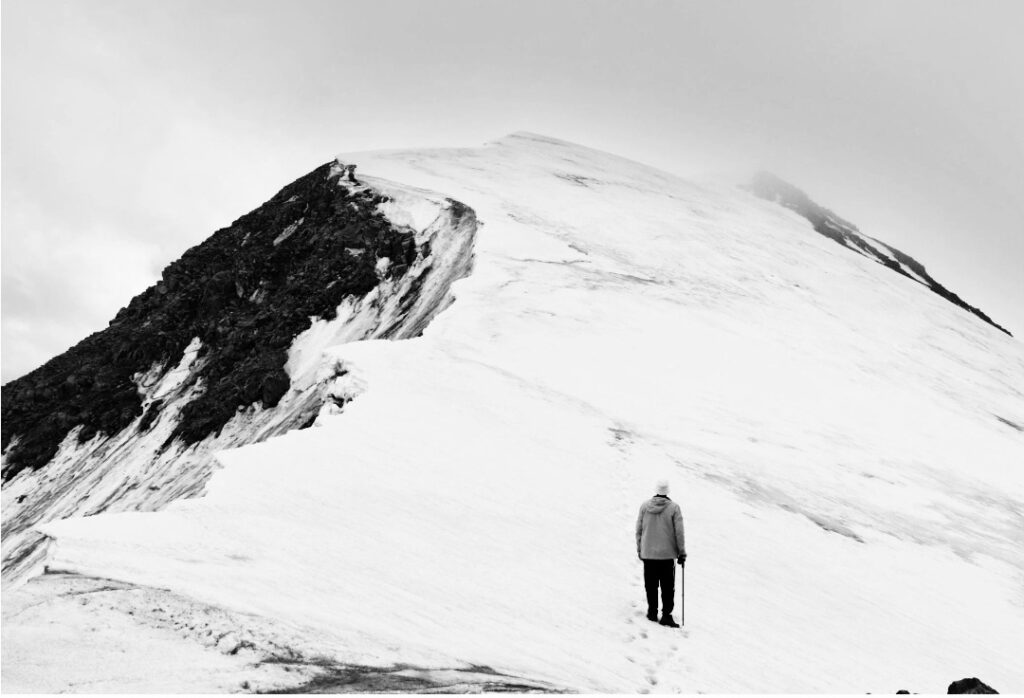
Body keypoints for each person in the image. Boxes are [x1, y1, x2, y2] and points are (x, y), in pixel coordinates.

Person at [636, 479, 687, 627]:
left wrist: (640, 550)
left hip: (648, 554)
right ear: (668, 491)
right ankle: (666, 615)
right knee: (667, 587)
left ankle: (652, 612)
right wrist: (681, 553)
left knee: (650, 585)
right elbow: (679, 533)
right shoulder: (674, 508)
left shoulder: (645, 506)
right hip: (666, 555)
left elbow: (639, 530)